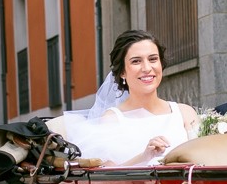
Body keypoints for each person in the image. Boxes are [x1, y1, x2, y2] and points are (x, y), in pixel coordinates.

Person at [70, 30, 198, 166]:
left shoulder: (185, 113)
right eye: (136, 61)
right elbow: (108, 174)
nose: (147, 68)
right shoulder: (112, 119)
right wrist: (144, 157)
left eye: (153, 59)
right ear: (122, 72)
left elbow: (204, 160)